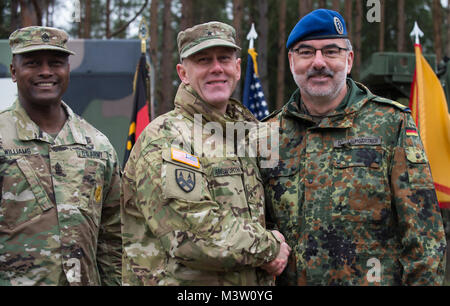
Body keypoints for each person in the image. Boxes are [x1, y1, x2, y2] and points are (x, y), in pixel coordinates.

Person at [261, 9, 447, 285]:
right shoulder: (266, 135)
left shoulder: (391, 123)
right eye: (306, 52)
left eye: (331, 51)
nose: (319, 62)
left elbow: (425, 237)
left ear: (348, 60)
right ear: (291, 61)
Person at [121, 21, 290, 286]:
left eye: (224, 58)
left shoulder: (249, 135)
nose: (216, 69)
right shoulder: (166, 136)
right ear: (183, 73)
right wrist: (269, 248)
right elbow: (189, 235)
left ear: (237, 67)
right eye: (202, 60)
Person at [0, 26, 122, 285]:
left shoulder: (98, 146)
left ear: (68, 70)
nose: (46, 71)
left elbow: (114, 240)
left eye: (56, 63)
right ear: (14, 71)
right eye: (32, 63)